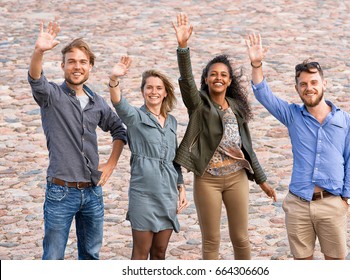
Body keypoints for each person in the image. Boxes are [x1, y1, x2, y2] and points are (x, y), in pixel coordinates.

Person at [172, 13, 277, 260]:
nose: (218, 77)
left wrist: (261, 180)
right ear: (206, 80)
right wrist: (183, 47)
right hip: (207, 180)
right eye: (213, 74)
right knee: (211, 240)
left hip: (236, 178)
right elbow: (186, 82)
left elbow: (247, 148)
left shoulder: (236, 108)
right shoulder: (199, 105)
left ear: (229, 81)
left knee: (241, 238)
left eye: (223, 75)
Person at [246, 33, 350, 260]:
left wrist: (346, 199)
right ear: (297, 89)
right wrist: (257, 64)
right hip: (298, 204)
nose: (309, 88)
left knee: (336, 264)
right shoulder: (292, 115)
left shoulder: (344, 120)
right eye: (303, 84)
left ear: (324, 84)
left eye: (314, 82)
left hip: (332, 204)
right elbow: (262, 93)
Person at [28, 21, 127, 260]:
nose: (77, 66)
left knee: (91, 256)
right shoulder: (52, 96)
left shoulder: (97, 102)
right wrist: (39, 52)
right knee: (52, 257)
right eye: (71, 61)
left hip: (92, 192)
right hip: (60, 192)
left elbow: (119, 131)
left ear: (90, 67)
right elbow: (36, 79)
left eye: (83, 62)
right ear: (62, 66)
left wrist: (111, 164)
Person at [108, 56, 189, 260]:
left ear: (165, 92)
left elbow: (174, 158)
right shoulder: (135, 117)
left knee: (160, 252)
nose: (154, 92)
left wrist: (181, 187)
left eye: (158, 88)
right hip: (143, 194)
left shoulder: (171, 122)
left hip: (167, 194)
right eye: (149, 87)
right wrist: (114, 79)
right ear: (143, 91)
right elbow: (118, 102)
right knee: (140, 254)